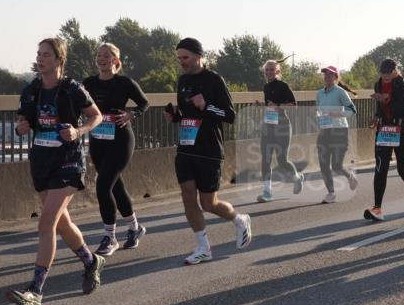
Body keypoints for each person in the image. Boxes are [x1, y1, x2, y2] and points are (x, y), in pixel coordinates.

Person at [7, 38, 104, 305]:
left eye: (46, 55)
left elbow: (96, 116)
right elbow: (23, 122)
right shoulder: (30, 91)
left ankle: (36, 291)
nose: (40, 59)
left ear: (59, 59)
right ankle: (90, 261)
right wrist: (21, 127)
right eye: (38, 54)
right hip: (41, 161)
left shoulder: (72, 89)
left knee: (46, 221)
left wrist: (78, 132)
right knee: (61, 223)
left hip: (68, 162)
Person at [163, 38, 251, 264]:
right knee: (187, 196)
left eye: (186, 57)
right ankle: (203, 247)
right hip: (186, 147)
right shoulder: (182, 81)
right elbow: (186, 115)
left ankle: (239, 220)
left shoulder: (214, 80)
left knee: (208, 203)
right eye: (179, 58)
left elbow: (230, 116)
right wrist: (175, 117)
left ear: (199, 56)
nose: (182, 62)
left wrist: (206, 106)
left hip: (209, 149)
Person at [83, 43, 150, 255]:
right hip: (98, 140)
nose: (102, 59)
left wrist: (132, 115)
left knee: (103, 185)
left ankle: (110, 237)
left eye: (107, 56)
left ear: (116, 61)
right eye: (99, 56)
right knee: (115, 186)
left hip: (121, 140)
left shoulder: (124, 82)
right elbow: (77, 104)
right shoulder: (89, 83)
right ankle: (135, 228)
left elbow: (144, 103)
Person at [365, 59, 404, 221]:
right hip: (385, 129)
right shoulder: (378, 84)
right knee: (380, 167)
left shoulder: (402, 85)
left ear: (396, 71)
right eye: (383, 73)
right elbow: (380, 106)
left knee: (402, 169)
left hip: (401, 129)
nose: (386, 76)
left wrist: (386, 99)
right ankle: (377, 208)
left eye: (389, 73)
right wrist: (376, 116)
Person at [257, 58, 304, 202]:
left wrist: (277, 106)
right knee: (265, 159)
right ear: (264, 72)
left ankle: (297, 178)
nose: (269, 72)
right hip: (269, 126)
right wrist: (261, 106)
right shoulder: (266, 87)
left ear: (277, 71)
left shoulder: (283, 86)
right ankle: (267, 192)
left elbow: (293, 105)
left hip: (283, 126)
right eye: (267, 70)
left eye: (272, 69)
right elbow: (269, 106)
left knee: (282, 160)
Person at [315, 66, 359, 203]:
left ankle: (349, 176)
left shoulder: (340, 92)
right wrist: (318, 117)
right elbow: (318, 109)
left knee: (336, 166)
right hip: (324, 131)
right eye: (325, 75)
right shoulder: (319, 93)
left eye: (330, 75)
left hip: (339, 131)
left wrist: (337, 114)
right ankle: (331, 193)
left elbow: (352, 110)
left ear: (336, 77)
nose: (327, 77)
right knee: (323, 164)